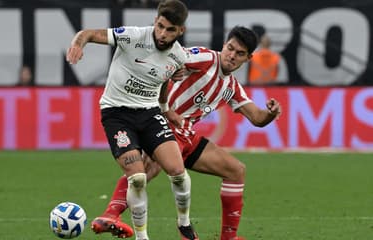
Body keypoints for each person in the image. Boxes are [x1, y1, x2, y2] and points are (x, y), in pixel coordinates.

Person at [91, 26, 282, 240]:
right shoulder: (205, 58)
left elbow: (256, 117)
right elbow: (169, 57)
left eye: (239, 54)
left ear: (248, 58)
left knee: (236, 171)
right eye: (230, 48)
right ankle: (111, 215)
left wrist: (270, 114)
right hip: (162, 122)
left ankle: (229, 237)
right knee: (147, 168)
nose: (232, 55)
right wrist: (173, 74)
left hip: (187, 134)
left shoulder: (231, 87)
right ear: (224, 45)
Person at [66, 1, 199, 240]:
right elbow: (88, 33)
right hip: (117, 113)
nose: (162, 33)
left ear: (181, 31)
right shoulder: (133, 36)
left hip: (149, 113)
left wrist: (165, 108)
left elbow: (163, 81)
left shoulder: (179, 56)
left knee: (178, 171)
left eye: (170, 30)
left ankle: (184, 224)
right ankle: (142, 237)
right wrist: (78, 43)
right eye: (160, 26)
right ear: (155, 21)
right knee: (137, 178)